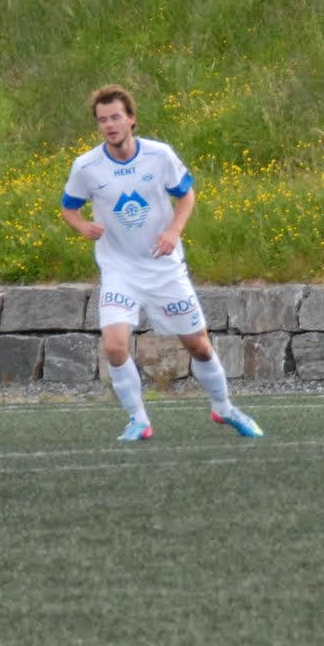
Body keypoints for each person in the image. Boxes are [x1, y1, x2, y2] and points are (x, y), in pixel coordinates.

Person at [60, 85, 262, 442]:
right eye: (103, 120)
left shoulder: (159, 155)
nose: (109, 125)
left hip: (163, 268)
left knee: (198, 345)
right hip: (119, 270)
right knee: (115, 346)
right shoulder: (87, 167)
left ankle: (224, 408)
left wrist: (173, 230)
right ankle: (138, 420)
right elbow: (68, 207)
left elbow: (186, 195)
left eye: (116, 117)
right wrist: (81, 225)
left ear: (131, 119)